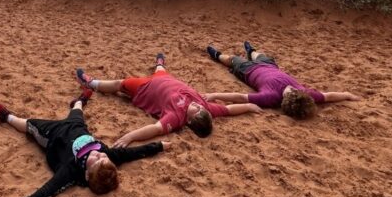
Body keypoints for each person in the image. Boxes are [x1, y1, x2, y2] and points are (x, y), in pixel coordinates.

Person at [0, 88, 170, 197]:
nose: (100, 154)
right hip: (77, 126)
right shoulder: (109, 155)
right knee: (77, 110)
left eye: (97, 159)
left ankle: (8, 117)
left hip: (53, 134)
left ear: (86, 174)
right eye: (104, 157)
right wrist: (159, 146)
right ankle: (80, 100)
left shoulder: (71, 170)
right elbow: (135, 152)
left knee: (28, 124)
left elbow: (46, 191)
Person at [76, 52, 262, 147]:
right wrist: (249, 106)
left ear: (188, 121)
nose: (198, 106)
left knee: (119, 83)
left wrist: (130, 136)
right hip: (165, 79)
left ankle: (92, 83)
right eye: (201, 109)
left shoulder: (176, 117)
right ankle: (159, 64)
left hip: (144, 89)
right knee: (160, 70)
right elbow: (229, 109)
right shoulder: (207, 108)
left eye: (196, 111)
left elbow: (155, 129)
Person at [205, 41, 361, 119]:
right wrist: (347, 95)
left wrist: (214, 95)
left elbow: (240, 97)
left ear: (285, 99)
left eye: (291, 92)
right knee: (260, 56)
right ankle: (251, 51)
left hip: (248, 70)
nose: (292, 88)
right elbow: (329, 96)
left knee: (233, 59)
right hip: (269, 66)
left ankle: (217, 55)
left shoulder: (270, 97)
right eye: (296, 90)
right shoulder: (306, 94)